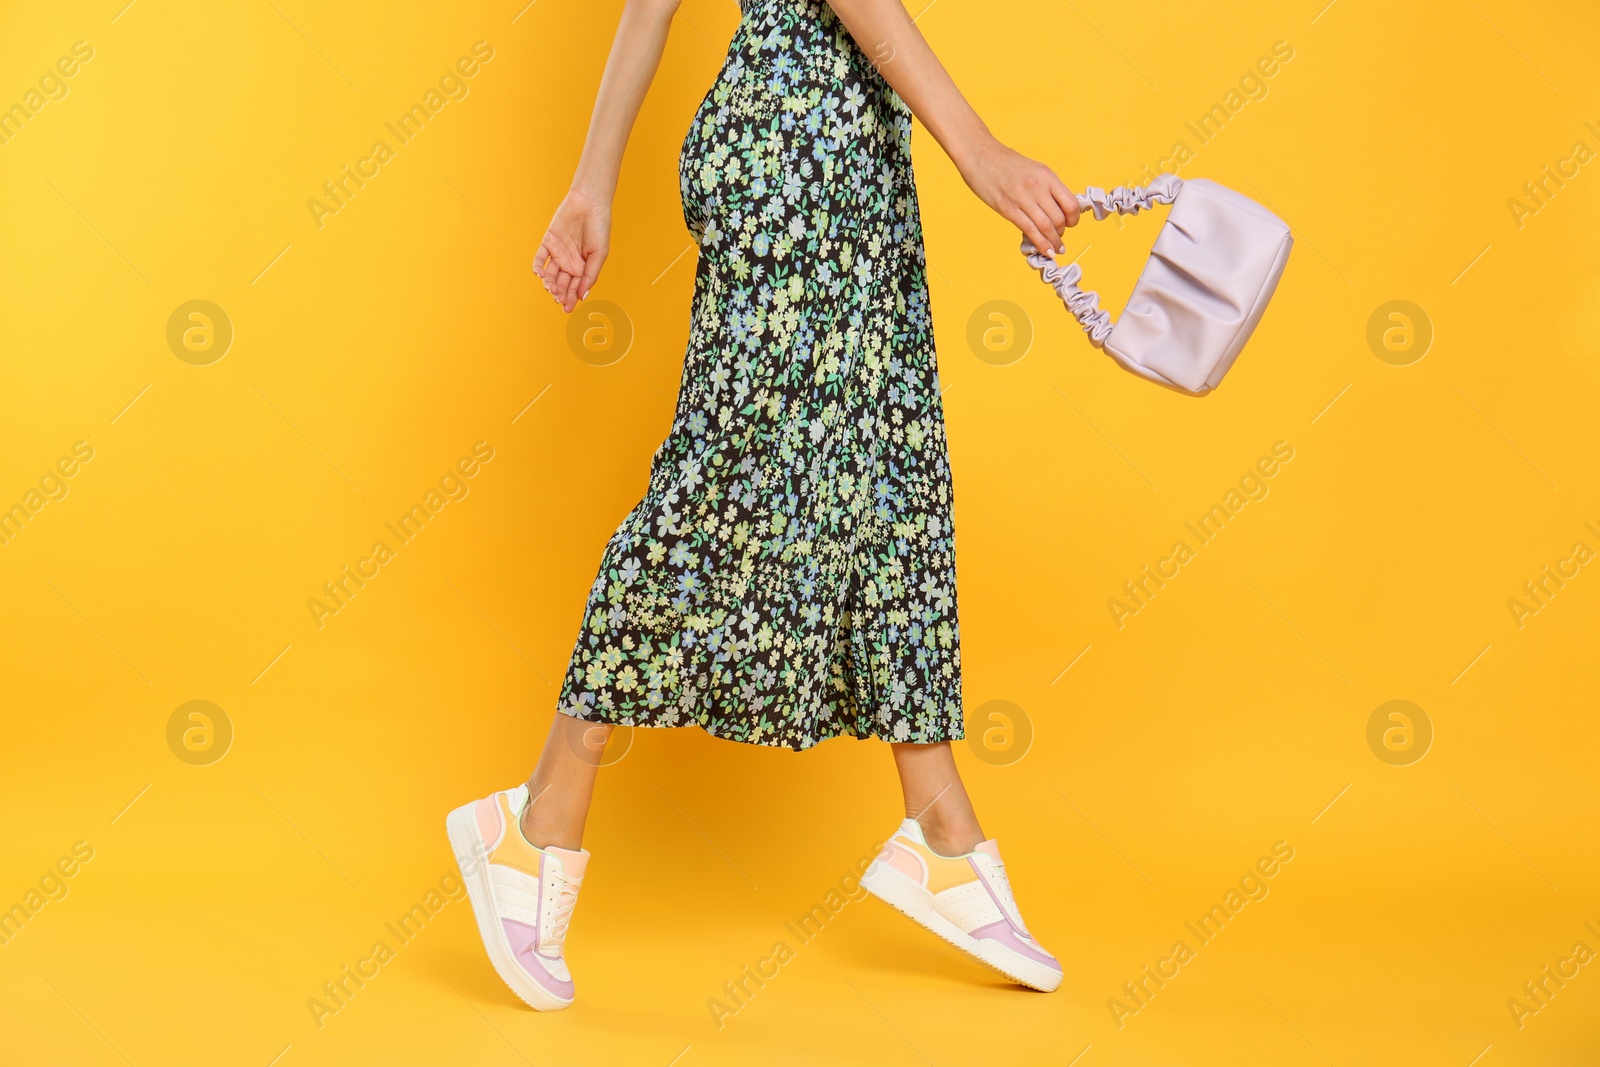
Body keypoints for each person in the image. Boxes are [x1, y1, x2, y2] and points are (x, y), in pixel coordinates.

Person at [446, 0, 1079, 1011]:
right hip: (795, 149)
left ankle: (942, 831)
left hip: (850, 148)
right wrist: (980, 152)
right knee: (715, 494)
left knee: (888, 469)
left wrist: (591, 185)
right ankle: (536, 820)